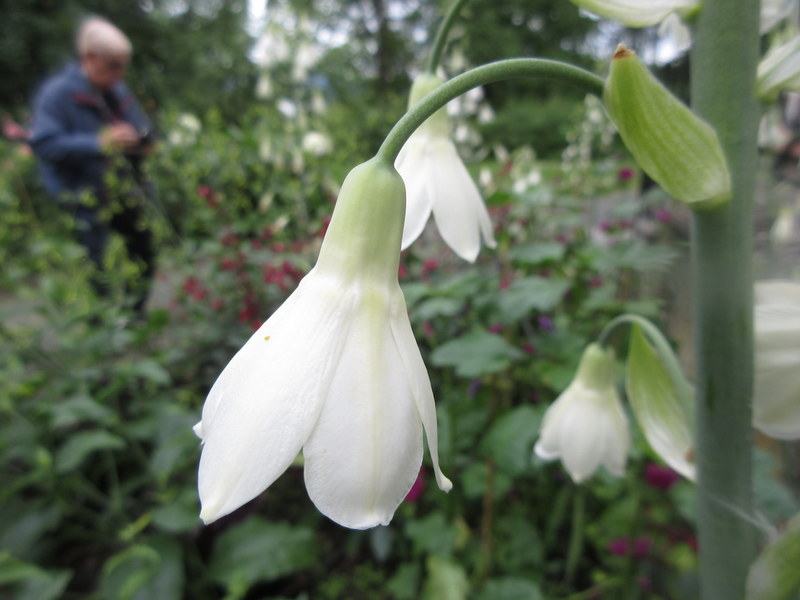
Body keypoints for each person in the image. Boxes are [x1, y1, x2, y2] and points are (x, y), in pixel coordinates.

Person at [29, 16, 157, 313]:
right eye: (114, 64)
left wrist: (137, 136)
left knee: (143, 248)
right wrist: (99, 144)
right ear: (89, 57)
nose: (120, 72)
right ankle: (99, 327)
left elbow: (146, 131)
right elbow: (45, 144)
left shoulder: (118, 93)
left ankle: (133, 317)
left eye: (124, 64)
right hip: (83, 195)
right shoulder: (57, 94)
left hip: (125, 192)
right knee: (94, 264)